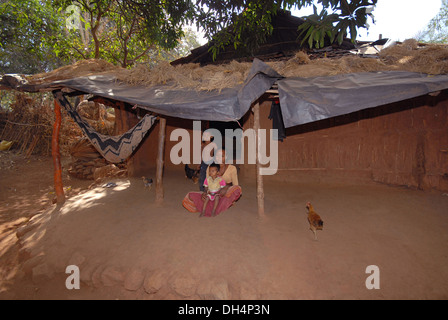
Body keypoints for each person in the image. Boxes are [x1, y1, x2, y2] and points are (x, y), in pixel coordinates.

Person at [183, 149, 242, 217]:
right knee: (191, 195)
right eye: (217, 156)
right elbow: (207, 183)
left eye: (222, 156)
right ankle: (215, 205)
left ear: (226, 157)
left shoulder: (232, 168)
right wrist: (205, 193)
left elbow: (235, 185)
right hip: (212, 193)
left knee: (236, 189)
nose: (219, 158)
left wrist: (230, 194)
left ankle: (221, 203)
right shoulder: (210, 168)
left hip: (225, 193)